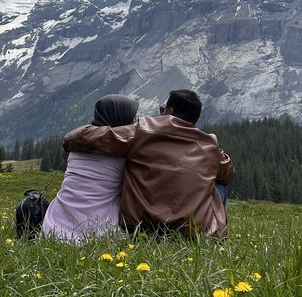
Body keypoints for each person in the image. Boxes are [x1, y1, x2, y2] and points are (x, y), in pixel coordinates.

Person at [63, 89, 234, 237]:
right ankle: (211, 234)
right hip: (192, 232)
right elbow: (228, 173)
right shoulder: (210, 144)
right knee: (219, 184)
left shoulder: (142, 130)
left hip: (144, 227)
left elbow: (92, 137)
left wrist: (71, 138)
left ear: (168, 111)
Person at [42, 94, 139, 241]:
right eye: (132, 118)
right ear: (120, 118)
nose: (134, 122)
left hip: (53, 225)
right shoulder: (121, 154)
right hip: (96, 232)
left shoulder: (78, 145)